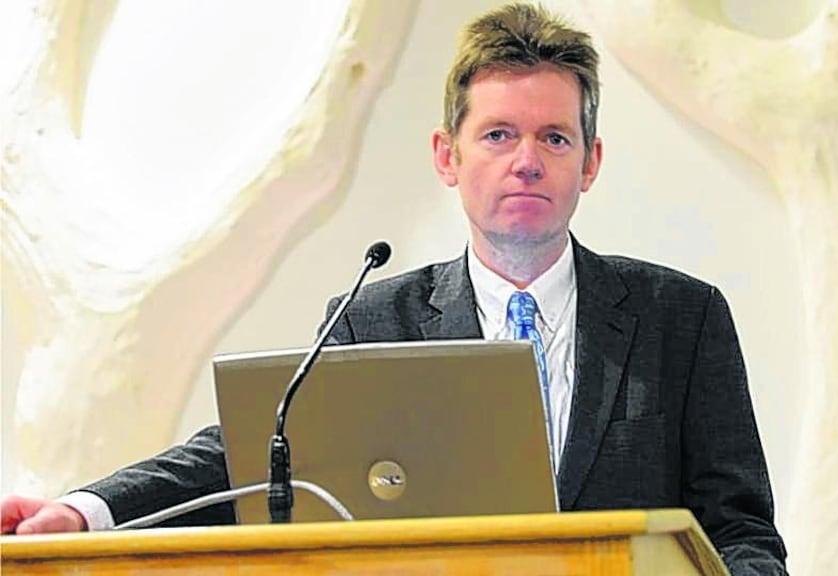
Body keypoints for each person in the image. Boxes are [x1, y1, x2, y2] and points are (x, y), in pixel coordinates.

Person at [2, 3, 787, 573]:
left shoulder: (682, 319)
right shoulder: (373, 316)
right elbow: (248, 457)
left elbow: (745, 533)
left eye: (554, 137)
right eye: (499, 134)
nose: (527, 160)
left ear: (590, 161)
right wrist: (83, 511)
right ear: (448, 156)